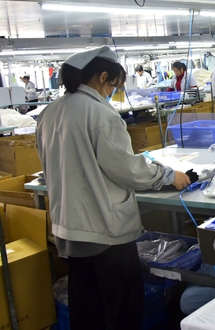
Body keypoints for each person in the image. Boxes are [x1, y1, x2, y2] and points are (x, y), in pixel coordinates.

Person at [36, 46, 191, 330]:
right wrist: (169, 176)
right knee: (123, 310)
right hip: (105, 232)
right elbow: (128, 169)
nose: (113, 91)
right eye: (115, 85)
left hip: (70, 230)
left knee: (87, 308)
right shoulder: (100, 114)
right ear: (103, 76)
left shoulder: (49, 113)